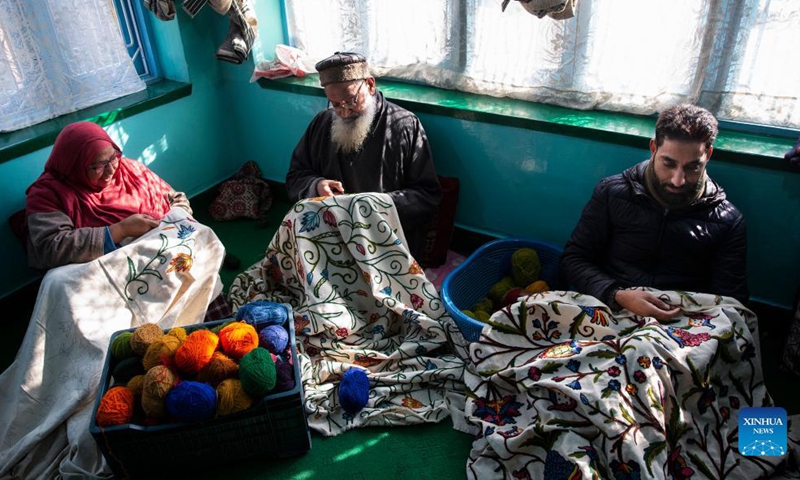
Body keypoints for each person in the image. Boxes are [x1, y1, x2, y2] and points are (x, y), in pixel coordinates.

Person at [560, 104, 748, 321]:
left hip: (681, 325)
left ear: (709, 155)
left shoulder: (728, 221)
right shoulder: (612, 193)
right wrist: (617, 294)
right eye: (668, 164)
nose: (678, 180)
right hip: (610, 307)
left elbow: (732, 302)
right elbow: (574, 258)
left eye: (692, 167)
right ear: (653, 149)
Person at [285, 52, 442, 260]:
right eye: (335, 104)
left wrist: (374, 205)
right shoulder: (322, 123)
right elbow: (296, 175)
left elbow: (427, 195)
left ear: (369, 85)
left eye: (350, 101)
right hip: (331, 234)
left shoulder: (404, 126)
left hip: (382, 239)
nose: (344, 112)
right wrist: (317, 185)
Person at [25, 121, 192, 270]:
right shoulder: (47, 194)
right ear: (74, 165)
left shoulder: (131, 170)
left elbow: (176, 198)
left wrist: (176, 222)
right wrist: (118, 230)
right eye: (99, 165)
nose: (112, 170)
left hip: (163, 250)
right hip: (108, 266)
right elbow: (49, 248)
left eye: (113, 158)